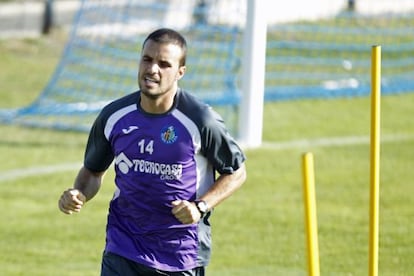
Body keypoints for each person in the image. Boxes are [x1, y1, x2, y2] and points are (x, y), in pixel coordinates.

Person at [58, 28, 247, 276]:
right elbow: (92, 172)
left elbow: (236, 172)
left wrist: (200, 206)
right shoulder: (114, 116)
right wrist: (79, 192)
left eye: (164, 64)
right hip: (123, 249)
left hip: (180, 255)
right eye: (147, 59)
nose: (152, 69)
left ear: (180, 72)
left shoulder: (200, 119)